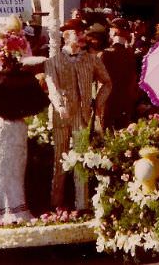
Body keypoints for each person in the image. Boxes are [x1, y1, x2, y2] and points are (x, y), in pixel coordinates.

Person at [0, 20, 49, 223]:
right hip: (19, 128)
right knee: (14, 170)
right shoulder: (27, 79)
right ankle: (16, 207)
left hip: (3, 127)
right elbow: (40, 104)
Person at [45, 26, 112, 209]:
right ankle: (56, 203)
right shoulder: (53, 61)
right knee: (60, 159)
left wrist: (98, 102)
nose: (82, 37)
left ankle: (81, 205)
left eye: (82, 33)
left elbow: (107, 82)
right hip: (62, 116)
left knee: (81, 159)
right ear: (66, 37)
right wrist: (59, 105)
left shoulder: (91, 60)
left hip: (82, 116)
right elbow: (52, 86)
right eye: (78, 33)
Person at [100, 18, 140, 130]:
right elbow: (133, 79)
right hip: (125, 104)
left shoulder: (105, 54)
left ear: (114, 32)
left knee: (105, 137)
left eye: (110, 29)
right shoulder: (130, 55)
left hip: (108, 103)